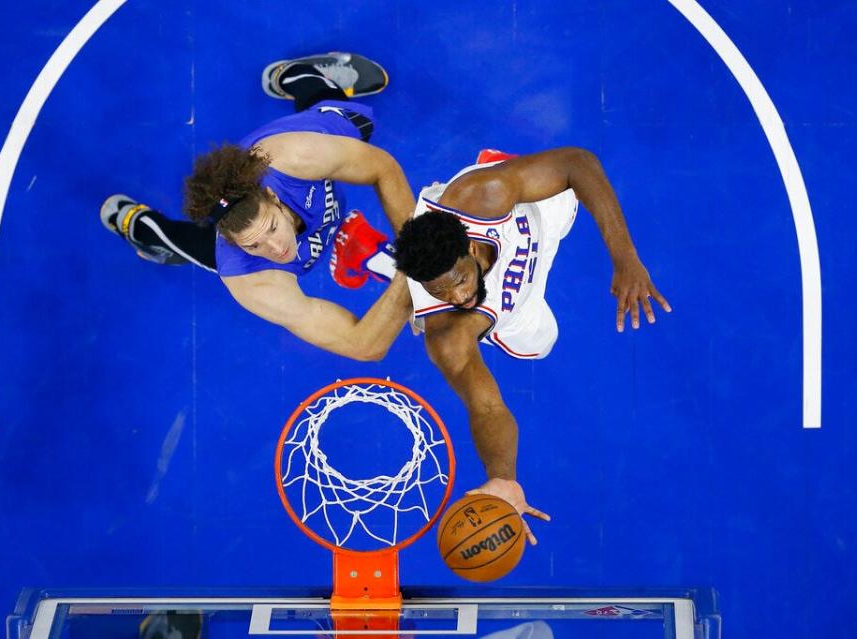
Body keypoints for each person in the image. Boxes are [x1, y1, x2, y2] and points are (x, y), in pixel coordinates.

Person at [393, 148, 672, 544]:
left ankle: (505, 167)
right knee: (541, 343)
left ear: (471, 249)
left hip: (533, 217)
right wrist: (503, 478)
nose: (456, 296)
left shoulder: (480, 198)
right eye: (439, 291)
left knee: (565, 190)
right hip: (510, 312)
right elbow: (486, 405)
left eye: (458, 280)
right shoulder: (451, 332)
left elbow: (579, 162)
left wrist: (625, 259)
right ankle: (401, 290)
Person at [100, 53, 410, 361]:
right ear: (232, 241)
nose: (275, 248)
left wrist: (417, 244)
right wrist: (412, 275)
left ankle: (297, 75)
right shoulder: (252, 278)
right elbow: (361, 345)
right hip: (249, 249)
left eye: (272, 227)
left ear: (274, 198)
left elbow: (384, 169)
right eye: (254, 243)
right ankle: (140, 226)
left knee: (359, 121)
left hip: (298, 158)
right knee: (209, 255)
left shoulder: (296, 157)